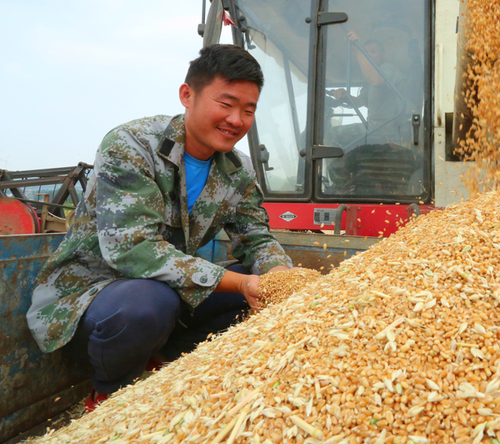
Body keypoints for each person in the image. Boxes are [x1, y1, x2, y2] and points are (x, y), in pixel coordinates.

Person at [26, 44, 293, 411]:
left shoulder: (239, 170)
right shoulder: (132, 145)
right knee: (148, 303)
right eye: (226, 104)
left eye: (249, 110)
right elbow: (133, 250)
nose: (237, 120)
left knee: (264, 290)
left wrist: (280, 276)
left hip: (173, 290)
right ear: (187, 95)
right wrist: (244, 283)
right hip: (98, 298)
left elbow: (256, 237)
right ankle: (110, 395)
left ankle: (170, 366)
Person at [332, 31, 407, 145]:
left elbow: (376, 80)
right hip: (373, 127)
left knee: (334, 134)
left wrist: (358, 50)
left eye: (373, 51)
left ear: (383, 55)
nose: (368, 55)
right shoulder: (370, 78)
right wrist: (345, 95)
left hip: (388, 129)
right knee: (335, 138)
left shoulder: (388, 69)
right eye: (365, 52)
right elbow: (361, 102)